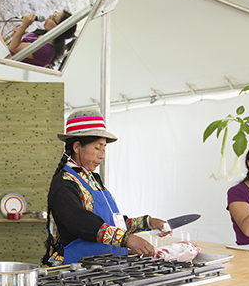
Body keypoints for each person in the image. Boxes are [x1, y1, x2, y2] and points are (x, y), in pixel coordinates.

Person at [43, 108, 169, 266]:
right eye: (97, 148)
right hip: (78, 268)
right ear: (77, 147)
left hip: (107, 265)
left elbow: (112, 222)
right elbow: (80, 222)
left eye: (103, 149)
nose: (102, 155)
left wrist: (147, 223)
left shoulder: (92, 179)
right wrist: (125, 238)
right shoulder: (64, 182)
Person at [9, 11, 76, 68]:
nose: (50, 16)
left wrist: (24, 25)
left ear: (59, 29)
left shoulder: (45, 50)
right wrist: (19, 34)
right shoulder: (44, 35)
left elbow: (14, 48)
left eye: (54, 18)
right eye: (54, 13)